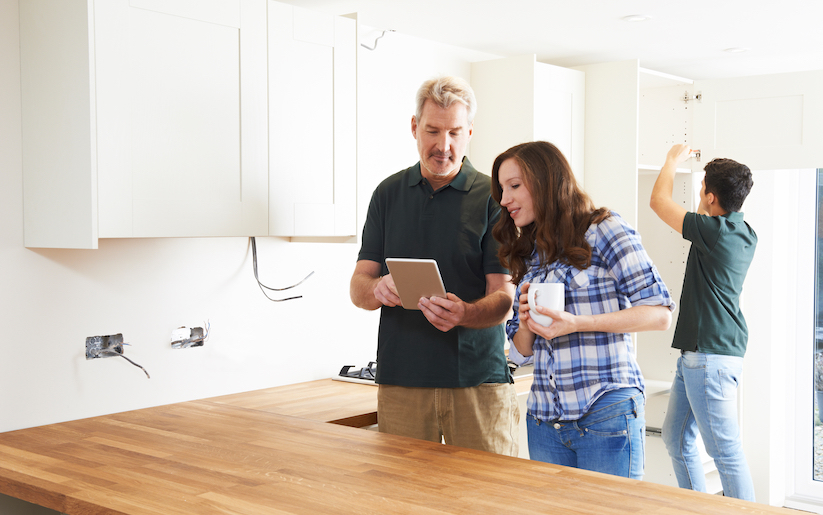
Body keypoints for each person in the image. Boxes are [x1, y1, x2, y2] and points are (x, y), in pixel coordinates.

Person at [349, 76, 519, 456]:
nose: (444, 146)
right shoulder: (387, 195)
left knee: (489, 497)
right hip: (402, 382)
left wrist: (465, 313)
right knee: (404, 500)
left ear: (470, 132)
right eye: (433, 131)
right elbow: (359, 285)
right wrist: (377, 289)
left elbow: (503, 296)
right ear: (414, 127)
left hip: (478, 381)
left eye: (456, 133)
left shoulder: (493, 198)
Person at [491, 140, 674, 479]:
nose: (504, 200)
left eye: (514, 186)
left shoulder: (604, 229)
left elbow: (659, 313)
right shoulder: (530, 251)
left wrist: (577, 323)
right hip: (545, 421)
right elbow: (520, 353)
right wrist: (528, 323)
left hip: (606, 411)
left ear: (545, 181)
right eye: (502, 189)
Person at [650, 144, 757, 501]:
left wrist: (671, 161)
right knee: (676, 438)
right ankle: (700, 506)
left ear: (711, 197)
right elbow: (704, 214)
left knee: (726, 452)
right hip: (704, 354)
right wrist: (706, 195)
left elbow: (659, 202)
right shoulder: (742, 233)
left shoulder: (714, 232)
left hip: (708, 357)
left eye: (703, 193)